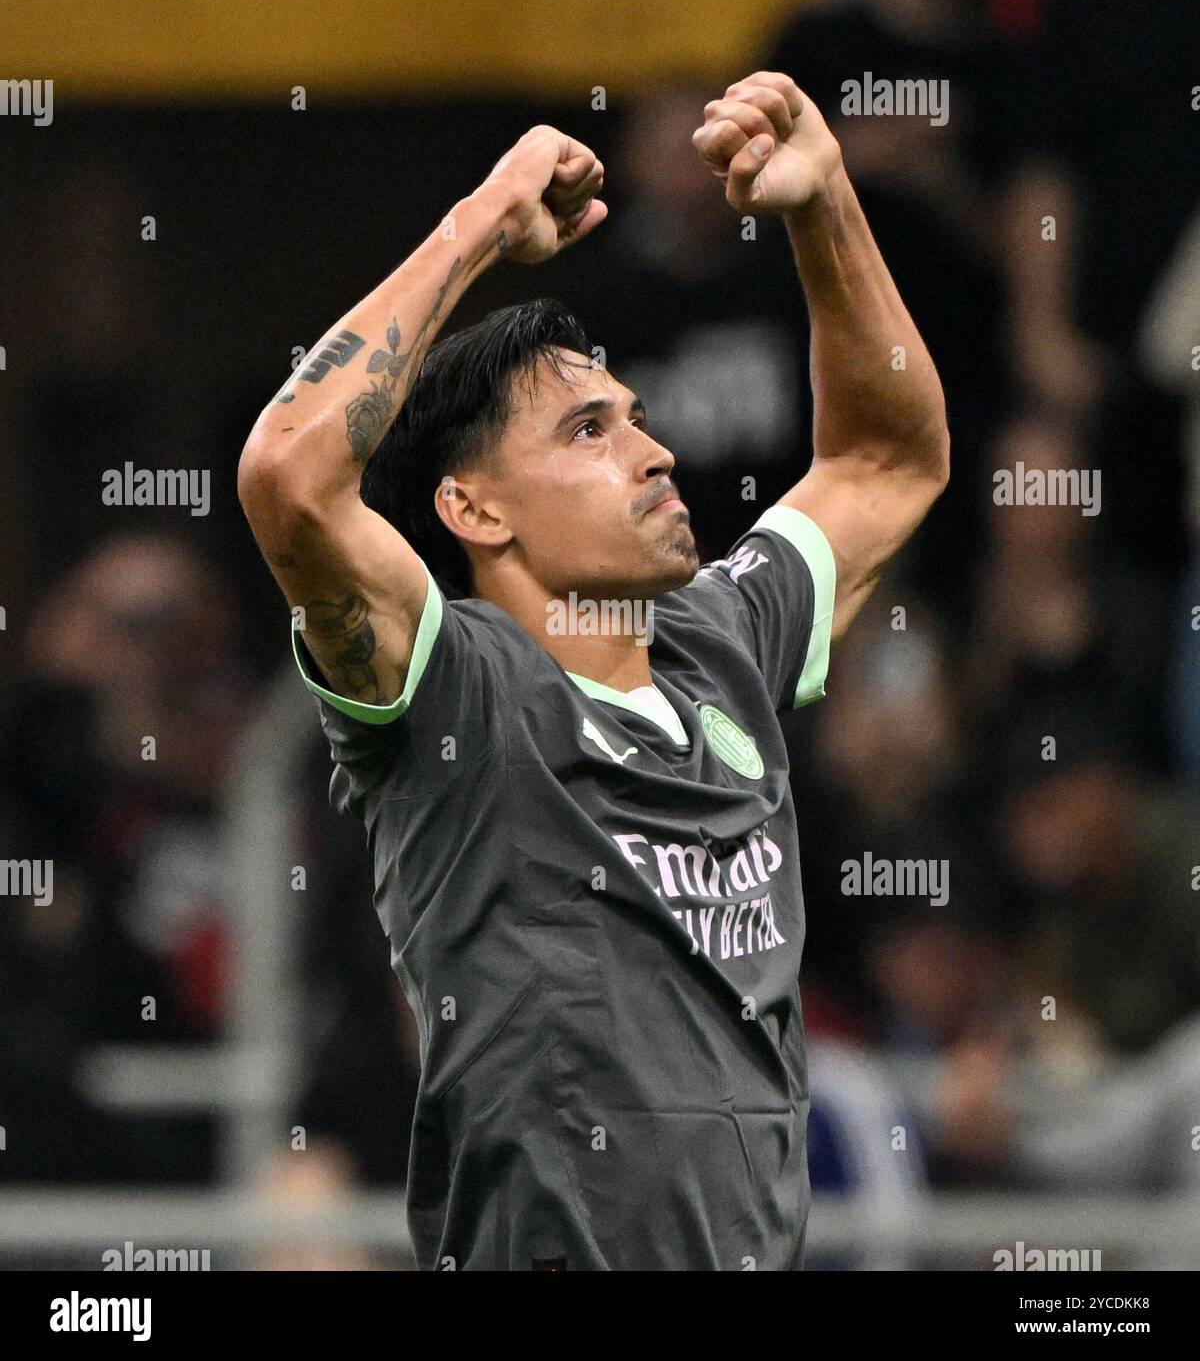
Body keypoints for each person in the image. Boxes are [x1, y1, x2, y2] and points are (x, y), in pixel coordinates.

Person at [238, 71, 949, 1271]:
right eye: (589, 430)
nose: (656, 451)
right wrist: (481, 220)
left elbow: (888, 456)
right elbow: (286, 475)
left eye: (633, 416)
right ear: (470, 506)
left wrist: (825, 205)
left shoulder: (726, 642)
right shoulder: (450, 687)